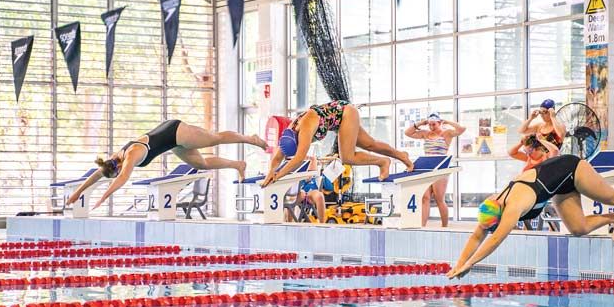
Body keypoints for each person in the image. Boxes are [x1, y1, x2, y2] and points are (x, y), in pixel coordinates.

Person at [446, 154, 614, 279]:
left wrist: (471, 264)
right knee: (578, 228)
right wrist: (459, 264)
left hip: (571, 169)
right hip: (557, 186)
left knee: (611, 196)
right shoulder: (493, 205)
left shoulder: (513, 207)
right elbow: (478, 236)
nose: (491, 229)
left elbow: (494, 240)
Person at [66, 120, 267, 210]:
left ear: (116, 168)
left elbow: (122, 179)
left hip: (177, 131)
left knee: (215, 139)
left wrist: (103, 197)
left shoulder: (130, 156)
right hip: (172, 143)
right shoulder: (113, 159)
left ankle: (250, 139)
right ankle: (238, 164)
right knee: (203, 164)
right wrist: (79, 193)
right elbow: (97, 175)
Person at [262, 100, 413, 188]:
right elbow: (277, 158)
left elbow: (299, 158)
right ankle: (402, 156)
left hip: (345, 113)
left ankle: (382, 162)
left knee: (347, 157)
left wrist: (278, 175)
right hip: (339, 118)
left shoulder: (304, 129)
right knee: (370, 144)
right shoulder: (287, 136)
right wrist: (271, 172)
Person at [404, 113, 466, 227]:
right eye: (430, 125)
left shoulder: (446, 134)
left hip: (441, 169)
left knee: (439, 199)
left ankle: (444, 226)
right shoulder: (425, 133)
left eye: (434, 124)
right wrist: (420, 123)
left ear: (439, 123)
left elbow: (462, 129)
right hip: (427, 168)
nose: (431, 127)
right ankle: (422, 225)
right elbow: (407, 133)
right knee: (425, 198)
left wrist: (447, 121)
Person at [284, 157, 326, 222]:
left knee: (319, 196)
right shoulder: (291, 161)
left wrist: (311, 159)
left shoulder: (310, 159)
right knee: (293, 197)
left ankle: (322, 224)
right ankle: (289, 223)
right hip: (298, 191)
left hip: (311, 191)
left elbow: (310, 176)